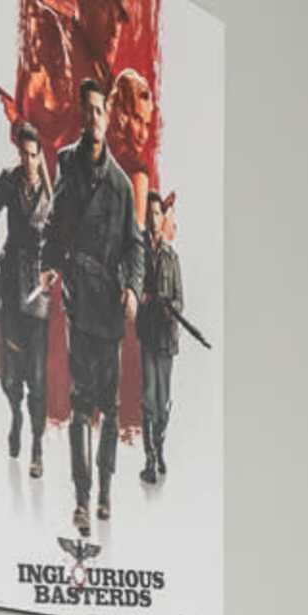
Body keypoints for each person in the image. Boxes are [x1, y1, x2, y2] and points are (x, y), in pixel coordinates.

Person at [44, 76, 142, 539]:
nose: (92, 119)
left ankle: (105, 490)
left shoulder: (122, 186)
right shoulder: (68, 164)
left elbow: (134, 247)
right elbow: (57, 223)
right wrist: (48, 264)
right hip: (80, 299)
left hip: (109, 307)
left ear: (108, 117)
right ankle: (81, 499)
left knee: (109, 405)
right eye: (86, 110)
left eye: (99, 111)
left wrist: (134, 290)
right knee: (82, 406)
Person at [0, 123, 54, 474]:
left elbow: (63, 236)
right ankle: (15, 417)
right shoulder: (10, 181)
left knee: (37, 377)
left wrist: (55, 269)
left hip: (38, 289)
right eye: (22, 154)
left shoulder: (52, 194)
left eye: (32, 154)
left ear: (40, 155)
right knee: (12, 375)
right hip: (11, 283)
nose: (27, 160)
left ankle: (37, 445)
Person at [137, 189, 185, 484]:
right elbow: (129, 279)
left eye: (158, 214)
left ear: (162, 217)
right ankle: (150, 460)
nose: (154, 219)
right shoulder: (138, 253)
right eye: (150, 214)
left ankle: (160, 447)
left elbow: (181, 298)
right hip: (148, 334)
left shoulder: (171, 256)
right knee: (149, 399)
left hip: (167, 336)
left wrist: (172, 309)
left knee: (164, 402)